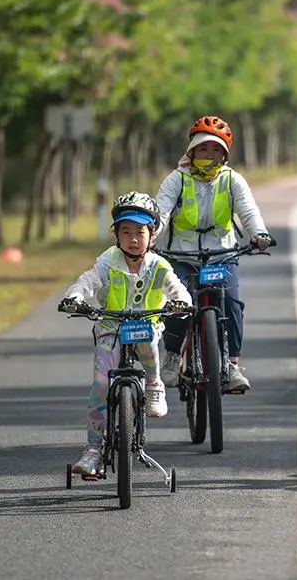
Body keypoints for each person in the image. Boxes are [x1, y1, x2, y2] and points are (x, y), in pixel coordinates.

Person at [59, 191, 193, 477]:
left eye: (140, 232)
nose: (133, 238)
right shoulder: (108, 261)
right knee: (99, 386)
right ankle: (93, 451)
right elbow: (88, 281)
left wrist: (182, 302)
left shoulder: (159, 264)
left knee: (146, 340)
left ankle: (155, 383)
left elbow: (176, 287)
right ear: (116, 235)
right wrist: (76, 297)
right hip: (110, 329)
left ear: (152, 234)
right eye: (126, 231)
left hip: (146, 325)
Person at [156, 115, 273, 393]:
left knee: (232, 303)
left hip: (222, 255)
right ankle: (172, 357)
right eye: (204, 148)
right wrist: (149, 236)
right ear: (192, 151)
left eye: (216, 149)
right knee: (177, 305)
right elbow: (160, 211)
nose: (209, 154)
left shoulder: (233, 180)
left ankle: (231, 364)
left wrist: (259, 234)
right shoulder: (176, 180)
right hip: (182, 257)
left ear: (224, 155)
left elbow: (248, 210)